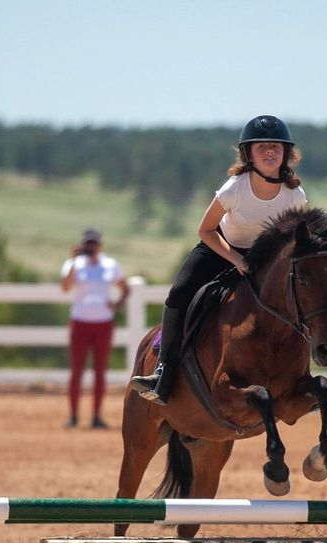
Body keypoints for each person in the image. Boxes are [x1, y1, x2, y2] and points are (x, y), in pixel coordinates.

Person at [130, 115, 307, 405]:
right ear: (248, 154)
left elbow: (295, 239)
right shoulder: (235, 188)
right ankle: (164, 371)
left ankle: (298, 377)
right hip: (219, 249)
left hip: (264, 258)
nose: (269, 152)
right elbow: (206, 230)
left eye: (275, 146)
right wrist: (236, 259)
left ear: (286, 153)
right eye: (261, 147)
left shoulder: (295, 195)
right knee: (179, 293)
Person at [61, 227, 129, 429]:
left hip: (103, 323)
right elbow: (65, 287)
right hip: (80, 321)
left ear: (100, 245)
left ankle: (96, 415)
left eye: (93, 243)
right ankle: (73, 415)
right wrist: (73, 261)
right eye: (87, 243)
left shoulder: (110, 265)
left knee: (100, 371)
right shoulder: (74, 264)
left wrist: (115, 305)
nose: (90, 247)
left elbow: (125, 288)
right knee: (77, 370)